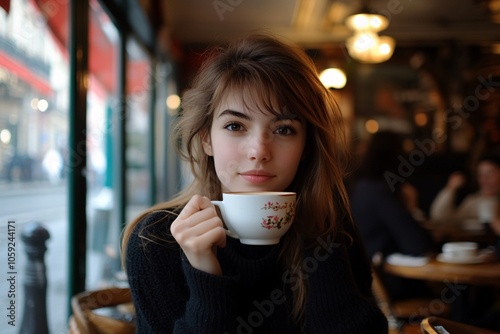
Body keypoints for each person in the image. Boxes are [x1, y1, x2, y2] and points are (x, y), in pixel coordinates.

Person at [120, 34, 388, 333]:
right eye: (235, 126)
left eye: (284, 129)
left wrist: (318, 240)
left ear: (306, 147)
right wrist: (205, 274)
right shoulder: (156, 241)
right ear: (207, 138)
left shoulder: (331, 227)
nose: (259, 151)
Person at [349, 130, 434, 300]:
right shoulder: (379, 193)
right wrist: (412, 209)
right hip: (390, 290)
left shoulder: (360, 187)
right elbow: (417, 245)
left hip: (365, 287)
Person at [429, 154, 500, 227]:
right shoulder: (474, 202)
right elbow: (440, 219)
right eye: (480, 175)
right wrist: (450, 188)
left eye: (490, 174)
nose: (484, 180)